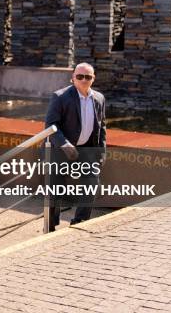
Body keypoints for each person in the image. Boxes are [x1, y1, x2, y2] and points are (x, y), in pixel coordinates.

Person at [45, 62, 106, 228]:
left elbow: (102, 126)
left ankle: (79, 221)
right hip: (61, 150)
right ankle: (50, 224)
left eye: (88, 77)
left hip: (87, 149)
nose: (84, 80)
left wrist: (101, 151)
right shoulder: (60, 96)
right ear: (73, 78)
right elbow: (51, 125)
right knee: (56, 188)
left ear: (93, 79)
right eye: (80, 76)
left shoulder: (99, 98)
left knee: (92, 183)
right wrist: (64, 144)